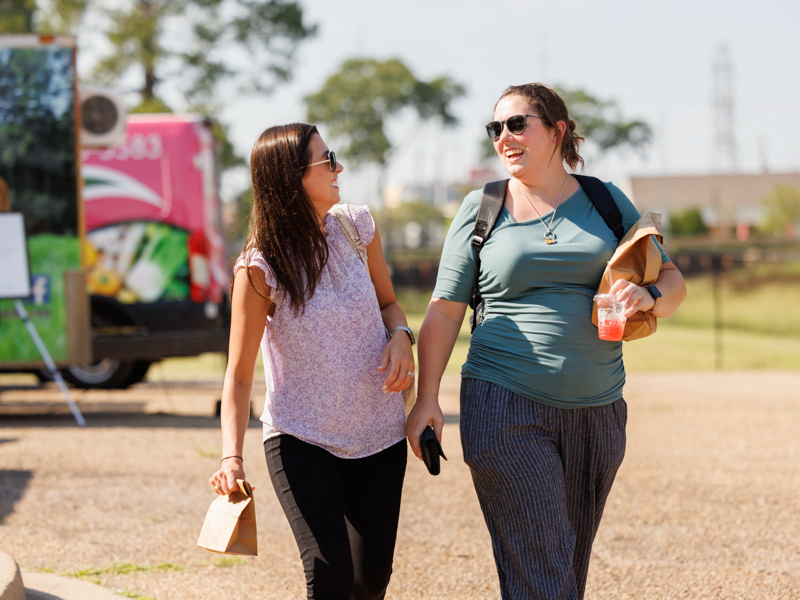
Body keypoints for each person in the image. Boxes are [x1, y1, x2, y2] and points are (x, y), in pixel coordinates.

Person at [406, 83, 687, 600]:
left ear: (558, 131)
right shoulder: (482, 207)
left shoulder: (605, 200)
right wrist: (427, 399)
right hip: (502, 400)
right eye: (496, 128)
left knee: (562, 570)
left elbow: (673, 285)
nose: (504, 137)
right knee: (543, 570)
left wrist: (646, 296)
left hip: (599, 410)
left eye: (518, 124)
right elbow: (445, 312)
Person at [209, 123, 415, 600]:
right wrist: (231, 457)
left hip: (380, 435)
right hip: (302, 438)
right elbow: (238, 375)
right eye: (327, 160)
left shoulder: (357, 226)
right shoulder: (259, 267)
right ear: (291, 176)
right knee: (329, 576)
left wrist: (402, 336)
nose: (338, 167)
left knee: (369, 584)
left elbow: (390, 305)